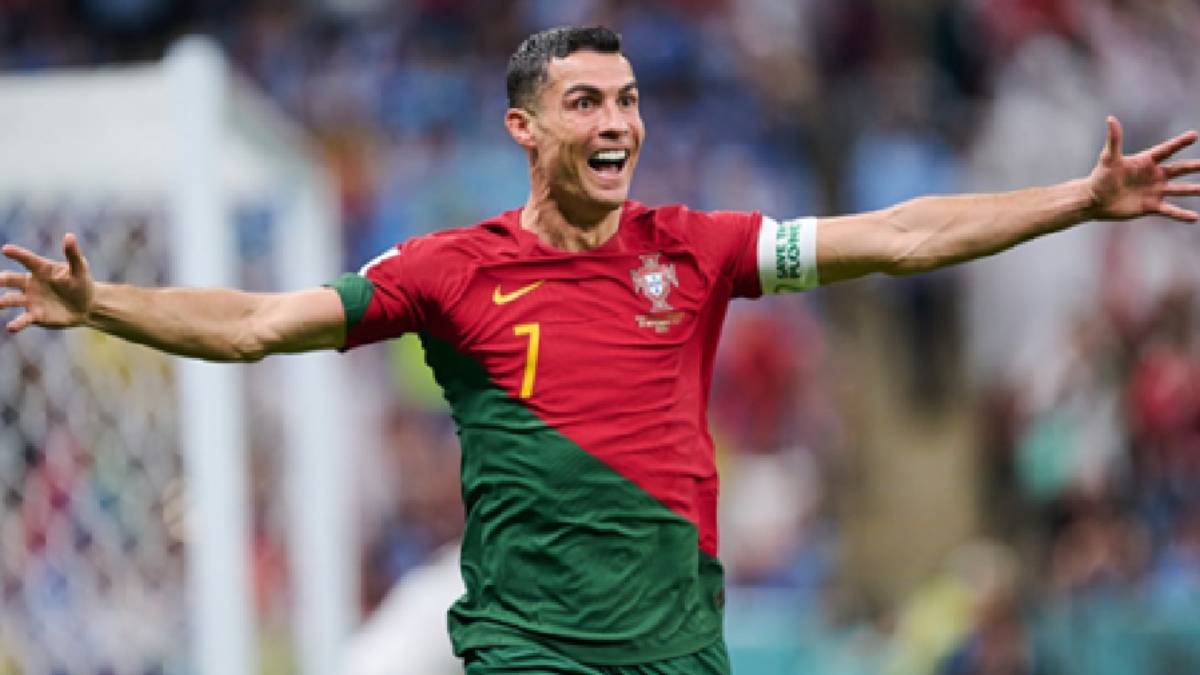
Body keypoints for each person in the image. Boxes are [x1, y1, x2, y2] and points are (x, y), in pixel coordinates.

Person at [2, 25, 1198, 675]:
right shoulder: (446, 270)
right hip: (528, 653)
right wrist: (102, 304)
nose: (619, 121)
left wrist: (1073, 203)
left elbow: (898, 236)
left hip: (680, 651)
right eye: (588, 103)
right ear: (524, 128)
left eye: (627, 101)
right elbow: (260, 323)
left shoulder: (699, 249)